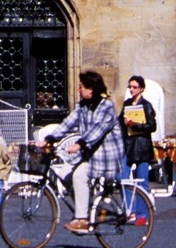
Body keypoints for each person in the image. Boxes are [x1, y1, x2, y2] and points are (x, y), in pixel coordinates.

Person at [45, 71, 126, 234]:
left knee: (79, 175)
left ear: (91, 89)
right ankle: (85, 208)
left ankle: (82, 219)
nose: (78, 90)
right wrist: (50, 139)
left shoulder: (107, 106)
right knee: (64, 173)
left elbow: (98, 129)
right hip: (90, 153)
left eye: (81, 87)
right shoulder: (82, 106)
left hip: (105, 155)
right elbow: (68, 123)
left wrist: (80, 144)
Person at [118, 77, 157, 187]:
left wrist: (133, 124)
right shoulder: (127, 103)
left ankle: (143, 204)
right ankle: (127, 203)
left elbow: (152, 126)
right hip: (128, 144)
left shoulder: (146, 105)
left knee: (141, 181)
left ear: (141, 89)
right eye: (130, 87)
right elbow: (120, 122)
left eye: (135, 87)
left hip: (141, 146)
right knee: (122, 179)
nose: (131, 89)